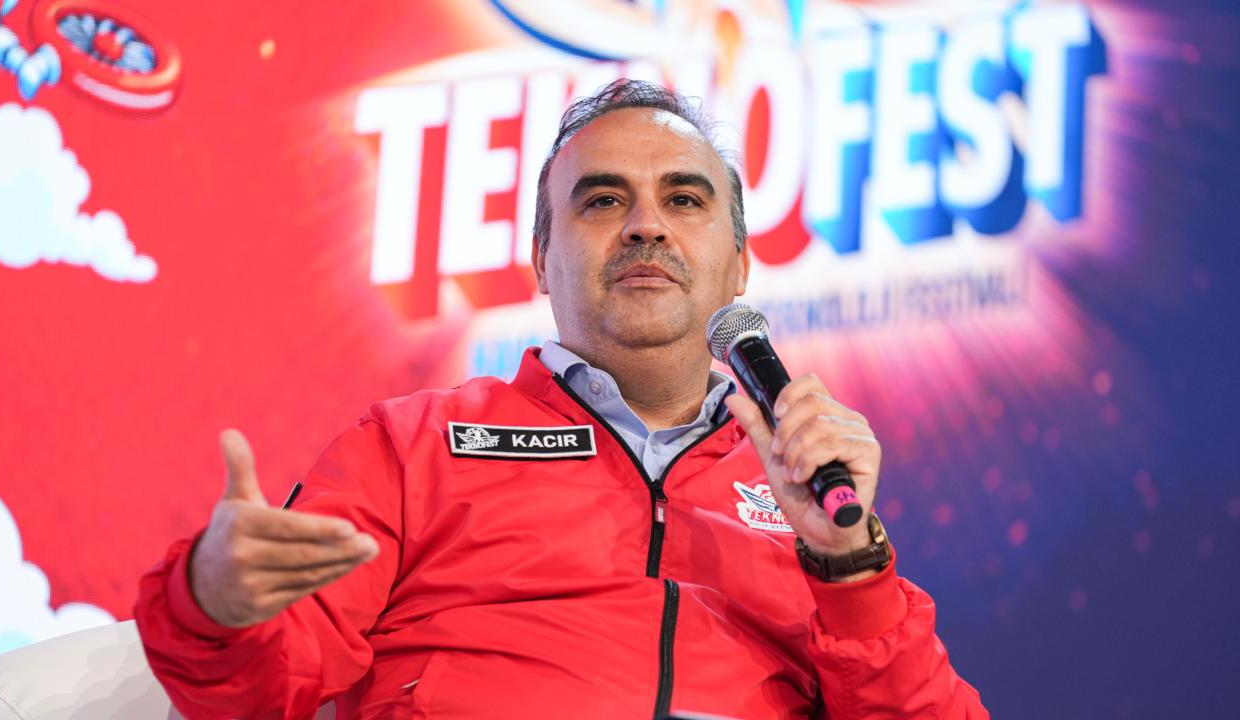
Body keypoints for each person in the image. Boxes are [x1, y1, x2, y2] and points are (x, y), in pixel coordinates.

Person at [135, 79, 988, 719]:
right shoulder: (414, 445)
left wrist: (849, 566)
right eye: (603, 199)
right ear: (543, 261)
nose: (645, 224)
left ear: (738, 268)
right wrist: (213, 602)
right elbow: (260, 687)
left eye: (683, 199)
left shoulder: (808, 485)